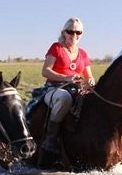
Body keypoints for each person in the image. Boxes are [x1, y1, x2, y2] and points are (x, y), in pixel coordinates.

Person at [40, 17, 95, 154]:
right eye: (71, 31)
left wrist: (91, 81)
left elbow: (89, 76)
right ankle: (50, 139)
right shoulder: (56, 48)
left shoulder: (83, 53)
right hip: (54, 89)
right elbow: (45, 71)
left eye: (78, 32)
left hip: (77, 89)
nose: (74, 35)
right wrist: (66, 78)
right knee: (65, 99)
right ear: (64, 32)